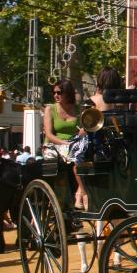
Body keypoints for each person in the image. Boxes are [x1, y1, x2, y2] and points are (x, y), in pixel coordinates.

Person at [43, 78, 85, 208]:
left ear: (68, 93)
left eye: (59, 92)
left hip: (74, 143)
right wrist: (65, 144)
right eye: (54, 92)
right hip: (53, 145)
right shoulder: (50, 109)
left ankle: (80, 193)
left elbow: (83, 129)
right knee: (76, 156)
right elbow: (49, 135)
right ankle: (77, 196)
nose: (56, 95)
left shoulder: (78, 109)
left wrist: (80, 134)